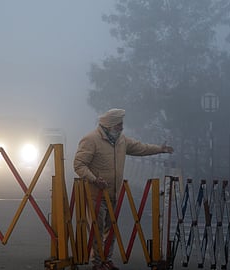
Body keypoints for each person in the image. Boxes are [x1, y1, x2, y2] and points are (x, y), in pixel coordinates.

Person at [73, 108, 173, 270]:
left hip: (114, 192)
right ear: (110, 125)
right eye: (119, 124)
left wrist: (159, 149)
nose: (121, 127)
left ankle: (107, 259)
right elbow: (79, 164)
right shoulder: (90, 140)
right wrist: (93, 179)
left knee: (111, 228)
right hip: (95, 194)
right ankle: (98, 263)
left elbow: (140, 148)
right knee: (97, 229)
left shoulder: (121, 140)